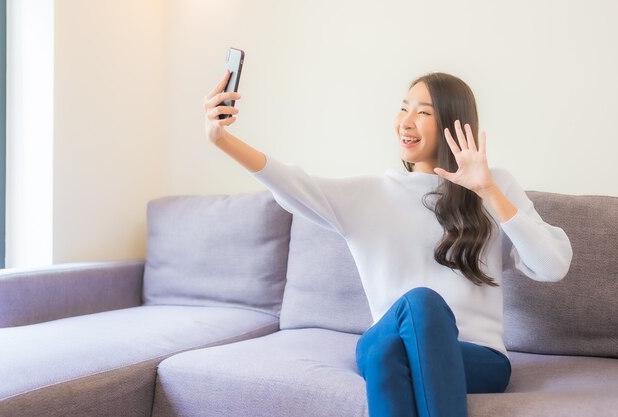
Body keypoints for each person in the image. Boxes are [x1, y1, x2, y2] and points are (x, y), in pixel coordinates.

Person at [203, 69, 573, 417]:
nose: (405, 121)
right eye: (403, 108)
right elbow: (289, 181)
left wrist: (489, 191)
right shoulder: (372, 194)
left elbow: (553, 264)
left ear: (452, 123)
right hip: (388, 339)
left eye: (423, 112)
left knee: (396, 338)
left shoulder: (495, 187)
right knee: (396, 331)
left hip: (477, 358)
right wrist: (222, 140)